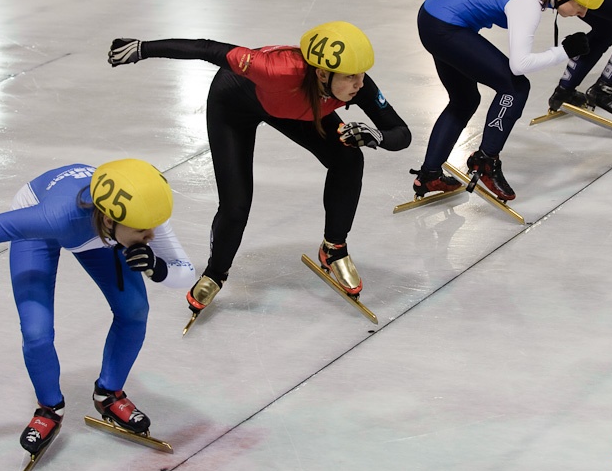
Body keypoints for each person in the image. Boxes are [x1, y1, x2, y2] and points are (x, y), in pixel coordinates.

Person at [107, 21, 410, 316]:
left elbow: (401, 133)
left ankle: (333, 248)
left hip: (294, 108)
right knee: (236, 204)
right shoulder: (273, 68)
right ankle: (216, 272)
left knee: (350, 157)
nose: (360, 84)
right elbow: (207, 49)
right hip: (234, 103)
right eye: (351, 77)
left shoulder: (358, 85)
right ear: (321, 73)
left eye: (362, 74)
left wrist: (378, 136)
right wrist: (141, 48)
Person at [0, 159, 194, 456]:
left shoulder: (143, 210)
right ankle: (50, 408)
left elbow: (184, 270)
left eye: (153, 228)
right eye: (142, 232)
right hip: (48, 223)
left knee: (135, 310)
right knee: (37, 331)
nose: (150, 237)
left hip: (97, 229)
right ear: (110, 220)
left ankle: (108, 394)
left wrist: (159, 268)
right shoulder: (53, 217)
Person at [412, 0, 607, 201]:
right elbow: (520, 64)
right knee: (515, 87)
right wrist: (564, 51)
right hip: (445, 27)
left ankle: (429, 175)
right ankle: (486, 161)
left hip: (433, 17)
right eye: (580, 5)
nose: (582, 12)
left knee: (464, 100)